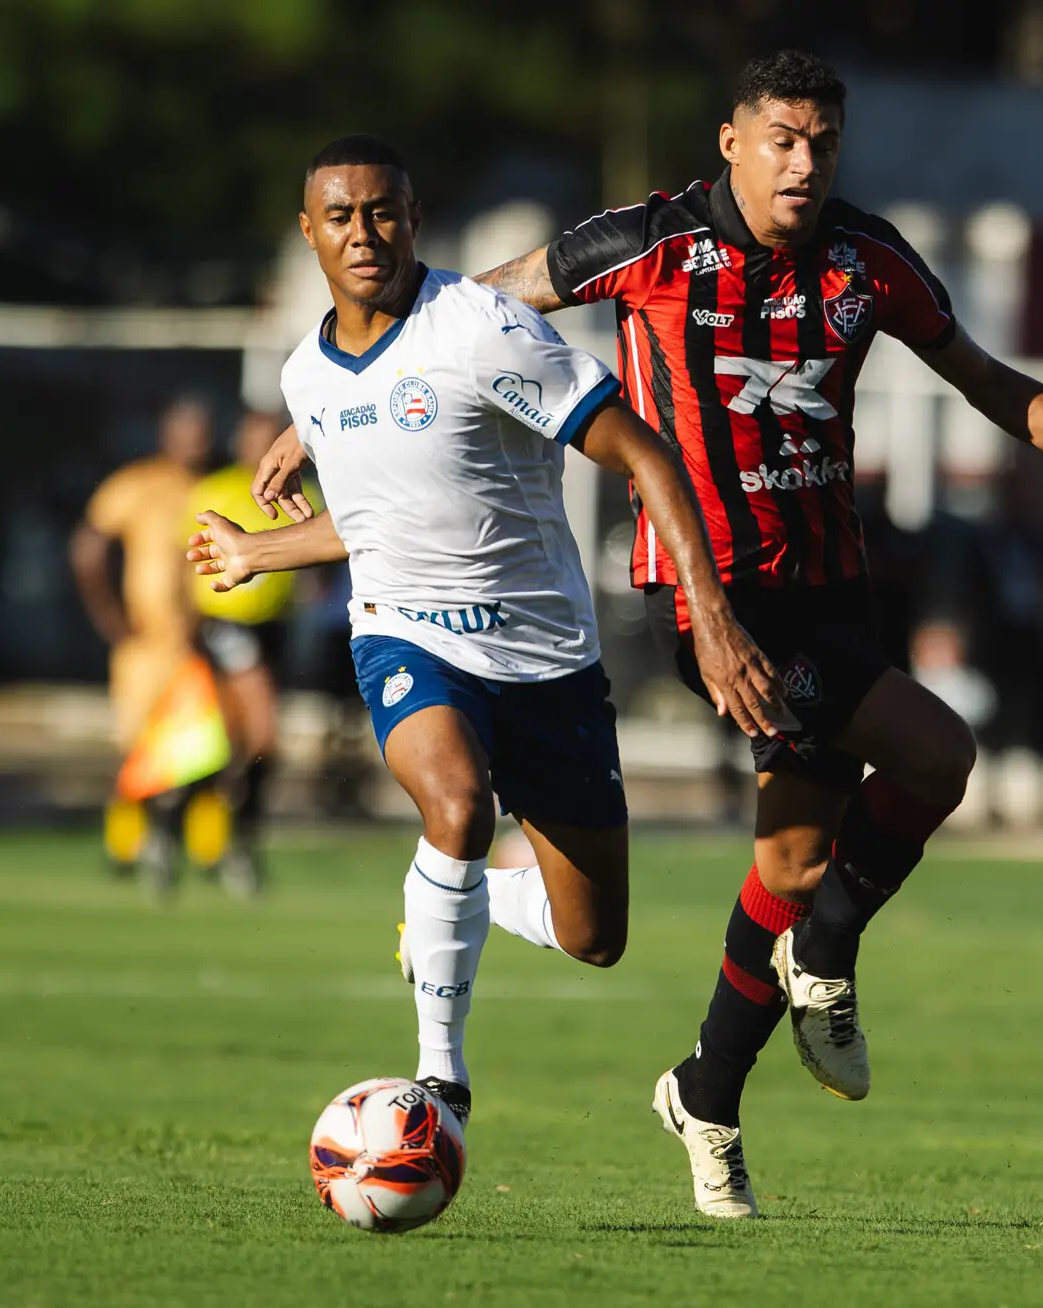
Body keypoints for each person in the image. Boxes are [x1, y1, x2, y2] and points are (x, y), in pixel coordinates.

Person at [257, 52, 1043, 1218]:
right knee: (936, 754)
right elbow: (463, 310)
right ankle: (824, 961)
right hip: (708, 597)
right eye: (779, 139)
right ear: (729, 142)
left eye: (821, 142)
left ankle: (706, 1089)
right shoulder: (645, 243)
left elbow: (987, 382)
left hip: (830, 588)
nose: (802, 162)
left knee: (785, 865)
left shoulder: (863, 259)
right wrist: (317, 403)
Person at [188, 135, 787, 1130]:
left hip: (547, 663)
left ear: (413, 218)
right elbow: (381, 518)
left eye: (381, 211)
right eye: (338, 217)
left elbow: (641, 450)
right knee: (456, 806)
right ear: (308, 233)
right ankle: (439, 1080)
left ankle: (444, 906)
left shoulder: (480, 331)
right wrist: (262, 552)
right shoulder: (307, 376)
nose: (362, 233)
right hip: (407, 638)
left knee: (593, 935)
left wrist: (714, 617)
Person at [72, 397, 214, 879]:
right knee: (136, 748)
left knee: (202, 752)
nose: (196, 441)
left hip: (196, 643)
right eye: (187, 430)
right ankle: (125, 847)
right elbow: (89, 546)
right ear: (166, 434)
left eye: (203, 431)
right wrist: (110, 617)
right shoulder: (138, 483)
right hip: (145, 643)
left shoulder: (213, 487)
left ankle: (203, 850)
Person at [182, 409, 309, 897]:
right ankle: (233, 843)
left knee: (235, 746)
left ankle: (181, 824)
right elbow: (186, 558)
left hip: (274, 630)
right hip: (227, 624)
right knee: (264, 737)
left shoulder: (304, 492)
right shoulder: (216, 489)